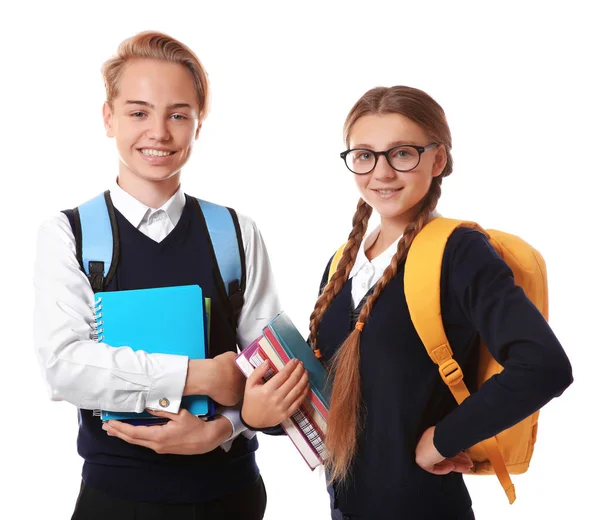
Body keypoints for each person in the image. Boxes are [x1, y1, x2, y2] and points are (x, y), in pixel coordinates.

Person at [33, 30, 306, 520]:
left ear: (199, 125)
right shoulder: (69, 234)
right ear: (108, 118)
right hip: (117, 500)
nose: (158, 132)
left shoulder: (236, 232)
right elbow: (65, 367)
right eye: (138, 112)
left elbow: (271, 370)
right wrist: (199, 375)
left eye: (178, 114)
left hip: (231, 496)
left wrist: (221, 429)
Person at [304, 86, 574, 519]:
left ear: (438, 159)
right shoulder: (343, 262)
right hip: (346, 507)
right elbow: (333, 392)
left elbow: (544, 366)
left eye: (402, 153)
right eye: (364, 155)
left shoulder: (459, 251)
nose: (382, 172)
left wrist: (444, 439)